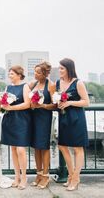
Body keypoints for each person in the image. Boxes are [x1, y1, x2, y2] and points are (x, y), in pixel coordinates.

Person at [56, 58, 89, 191]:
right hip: (63, 118)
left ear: (69, 69)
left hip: (76, 118)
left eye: (62, 68)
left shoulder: (78, 83)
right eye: (59, 68)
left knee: (77, 149)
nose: (59, 71)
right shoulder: (59, 83)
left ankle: (75, 178)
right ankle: (70, 175)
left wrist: (70, 102)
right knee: (62, 146)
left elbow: (86, 102)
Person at [1, 65, 31, 190]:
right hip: (10, 120)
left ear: (19, 75)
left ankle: (24, 177)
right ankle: (16, 177)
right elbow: (4, 101)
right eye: (9, 73)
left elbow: (27, 104)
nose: (10, 75)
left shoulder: (25, 86)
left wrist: (11, 107)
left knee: (20, 149)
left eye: (12, 73)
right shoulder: (8, 87)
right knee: (13, 149)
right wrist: (3, 103)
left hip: (22, 120)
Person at [29, 61, 56, 189]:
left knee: (44, 147)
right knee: (36, 147)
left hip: (44, 118)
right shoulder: (34, 84)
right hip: (33, 117)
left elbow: (55, 104)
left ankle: (46, 175)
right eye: (35, 71)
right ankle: (38, 174)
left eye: (38, 72)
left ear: (45, 74)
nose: (35, 74)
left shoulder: (50, 85)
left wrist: (43, 105)